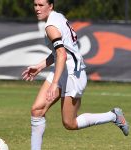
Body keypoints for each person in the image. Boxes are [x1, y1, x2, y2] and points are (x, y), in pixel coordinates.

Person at [22, 0, 129, 149]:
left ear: (51, 6)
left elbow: (62, 55)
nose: (37, 9)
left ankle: (113, 116)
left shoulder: (51, 26)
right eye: (35, 5)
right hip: (63, 70)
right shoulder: (58, 17)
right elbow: (62, 51)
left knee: (69, 123)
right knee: (37, 110)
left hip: (73, 75)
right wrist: (40, 66)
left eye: (41, 5)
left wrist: (54, 84)